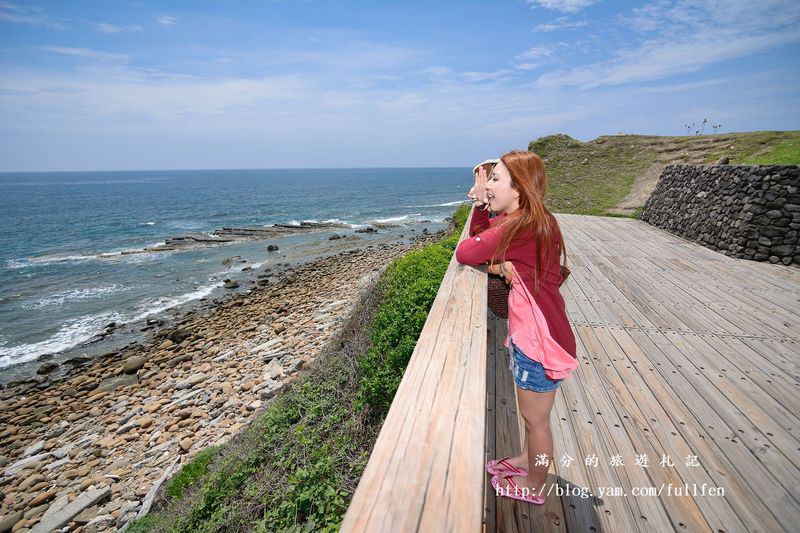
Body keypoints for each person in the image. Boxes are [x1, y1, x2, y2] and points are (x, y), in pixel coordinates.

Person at [455, 150, 578, 505]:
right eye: (487, 179)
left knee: (536, 422)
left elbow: (467, 252)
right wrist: (485, 207)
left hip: (541, 342)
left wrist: (480, 203)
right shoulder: (530, 219)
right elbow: (486, 241)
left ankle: (536, 485)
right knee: (532, 419)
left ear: (519, 190)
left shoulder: (521, 225)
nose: (488, 185)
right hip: (536, 335)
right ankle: (528, 462)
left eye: (495, 179)